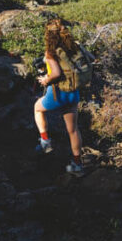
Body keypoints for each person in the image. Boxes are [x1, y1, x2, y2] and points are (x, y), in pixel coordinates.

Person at [34, 18, 85, 176]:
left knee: (37, 108)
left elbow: (56, 73)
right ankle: (77, 165)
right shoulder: (74, 47)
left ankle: (45, 142)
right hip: (73, 93)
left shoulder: (51, 52)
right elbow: (90, 59)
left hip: (58, 94)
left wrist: (45, 79)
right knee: (73, 130)